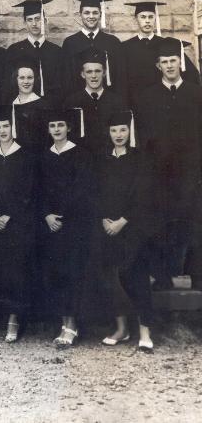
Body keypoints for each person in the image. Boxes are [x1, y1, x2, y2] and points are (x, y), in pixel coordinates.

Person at [83, 111, 155, 351]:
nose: (118, 135)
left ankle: (145, 331)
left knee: (136, 277)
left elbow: (144, 194)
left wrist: (123, 221)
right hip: (107, 228)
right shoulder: (101, 159)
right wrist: (104, 219)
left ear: (129, 131)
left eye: (123, 130)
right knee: (111, 279)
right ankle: (122, 329)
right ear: (109, 132)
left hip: (133, 228)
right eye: (114, 130)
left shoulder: (140, 158)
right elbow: (94, 192)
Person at [136, 38, 202, 289]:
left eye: (174, 60)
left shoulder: (196, 93)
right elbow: (143, 137)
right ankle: (163, 277)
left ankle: (197, 276)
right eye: (165, 62)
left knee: (194, 223)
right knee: (162, 224)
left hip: (190, 173)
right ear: (158, 65)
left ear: (181, 62)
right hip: (160, 174)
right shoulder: (147, 97)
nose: (170, 66)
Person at [0, 105, 37, 343]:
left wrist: (10, 215)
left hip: (16, 223)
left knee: (15, 272)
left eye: (6, 126)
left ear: (13, 127)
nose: (2, 130)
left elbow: (28, 191)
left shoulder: (25, 155)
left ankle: (13, 320)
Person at [38, 108, 94, 346]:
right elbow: (37, 190)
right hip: (51, 225)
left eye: (61, 125)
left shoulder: (81, 155)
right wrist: (47, 215)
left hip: (74, 225)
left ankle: (72, 325)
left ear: (69, 128)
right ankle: (64, 322)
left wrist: (64, 217)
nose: (57, 129)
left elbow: (83, 191)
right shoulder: (43, 156)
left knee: (73, 273)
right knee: (56, 274)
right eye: (53, 126)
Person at [121, 1, 199, 104]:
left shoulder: (166, 44)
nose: (147, 21)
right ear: (136, 19)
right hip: (135, 103)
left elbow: (191, 74)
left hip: (164, 103)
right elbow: (121, 80)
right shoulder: (125, 47)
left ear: (155, 19)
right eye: (143, 17)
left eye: (150, 17)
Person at [64, 47, 127, 156]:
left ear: (104, 73)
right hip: (80, 159)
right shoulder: (72, 102)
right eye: (89, 72)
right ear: (82, 74)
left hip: (109, 159)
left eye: (98, 71)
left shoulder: (117, 101)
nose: (94, 76)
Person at [61, 0, 124, 96]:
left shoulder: (113, 42)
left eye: (95, 12)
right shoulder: (70, 43)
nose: (91, 16)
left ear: (100, 14)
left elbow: (120, 78)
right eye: (87, 13)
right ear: (80, 14)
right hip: (79, 102)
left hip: (108, 103)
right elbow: (66, 79)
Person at [5, 0, 64, 104]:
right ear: (24, 23)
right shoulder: (14, 51)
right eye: (30, 20)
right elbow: (10, 86)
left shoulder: (57, 52)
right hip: (23, 108)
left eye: (38, 19)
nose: (34, 24)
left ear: (45, 21)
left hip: (51, 107)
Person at [9, 56, 51, 152]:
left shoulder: (44, 105)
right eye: (22, 78)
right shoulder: (11, 105)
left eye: (30, 78)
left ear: (35, 79)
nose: (26, 82)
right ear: (16, 80)